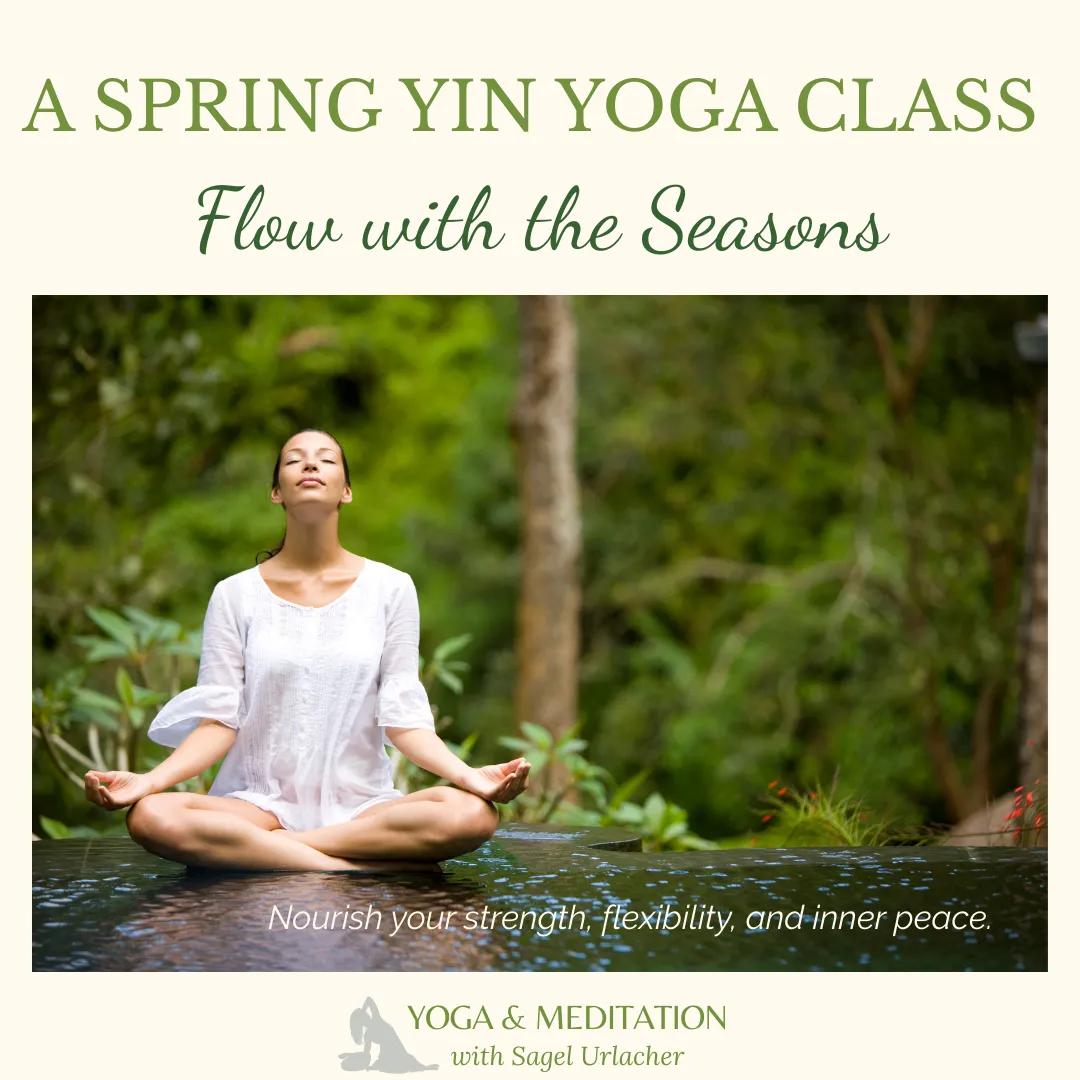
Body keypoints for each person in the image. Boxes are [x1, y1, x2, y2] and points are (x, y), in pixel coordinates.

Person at [82, 428, 530, 872]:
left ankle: (281, 851)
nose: (310, 464)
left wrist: (471, 777)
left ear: (346, 491)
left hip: (361, 808)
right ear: (277, 492)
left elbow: (403, 720)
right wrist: (148, 781)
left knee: (471, 814)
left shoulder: (391, 588)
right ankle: (350, 869)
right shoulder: (234, 595)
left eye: (326, 459)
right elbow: (218, 721)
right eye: (294, 459)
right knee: (151, 815)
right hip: (255, 805)